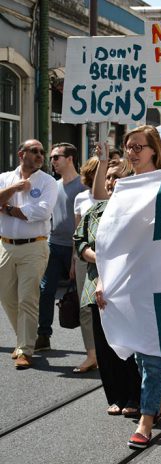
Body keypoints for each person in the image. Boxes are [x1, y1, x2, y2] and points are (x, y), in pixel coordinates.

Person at [94, 126, 161, 450]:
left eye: (139, 146)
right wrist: (102, 277)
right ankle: (158, 401)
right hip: (129, 283)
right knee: (139, 353)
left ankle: (146, 420)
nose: (132, 152)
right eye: (128, 147)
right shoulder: (123, 188)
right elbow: (109, 238)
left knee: (152, 355)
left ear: (154, 149)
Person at [74, 157, 141, 416]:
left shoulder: (137, 210)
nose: (112, 181)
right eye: (109, 177)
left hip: (127, 289)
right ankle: (117, 396)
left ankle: (136, 396)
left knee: (128, 344)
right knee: (104, 346)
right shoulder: (95, 210)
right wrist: (97, 256)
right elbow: (79, 241)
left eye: (118, 176)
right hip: (95, 287)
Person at [0, 140, 58, 369]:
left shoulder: (48, 182)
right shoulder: (5, 178)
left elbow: (41, 212)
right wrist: (14, 189)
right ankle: (24, 338)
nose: (40, 155)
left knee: (27, 297)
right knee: (6, 296)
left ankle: (25, 349)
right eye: (34, 151)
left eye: (42, 152)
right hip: (5, 245)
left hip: (35, 246)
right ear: (21, 154)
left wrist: (10, 210)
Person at [36, 143, 87, 352]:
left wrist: (77, 255)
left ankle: (94, 346)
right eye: (52, 158)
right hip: (54, 245)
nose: (53, 161)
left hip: (77, 249)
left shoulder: (84, 186)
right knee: (45, 290)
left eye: (56, 157)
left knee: (84, 297)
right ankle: (43, 335)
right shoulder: (53, 186)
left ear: (70, 159)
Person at [72, 156, 100, 373]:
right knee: (86, 307)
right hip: (84, 258)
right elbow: (77, 233)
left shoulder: (117, 194)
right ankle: (91, 354)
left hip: (109, 259)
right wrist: (75, 261)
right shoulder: (81, 198)